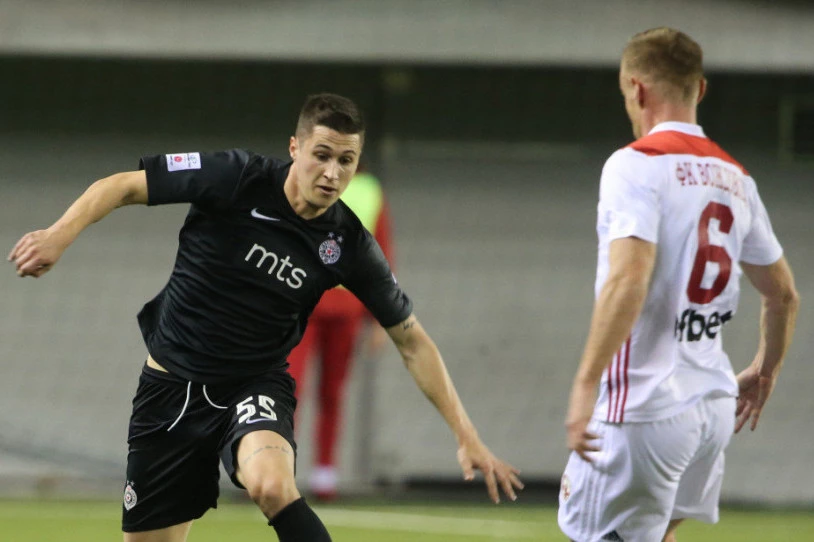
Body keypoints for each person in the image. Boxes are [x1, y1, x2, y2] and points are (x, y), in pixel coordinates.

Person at [8, 93, 523, 542]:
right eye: (322, 155)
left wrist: (466, 435)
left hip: (254, 385)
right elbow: (122, 185)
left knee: (273, 485)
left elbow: (413, 342)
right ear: (295, 148)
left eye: (346, 160)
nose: (333, 173)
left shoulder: (348, 244)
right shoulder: (235, 177)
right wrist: (58, 235)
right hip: (170, 389)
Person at [558, 28, 799, 542]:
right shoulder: (737, 179)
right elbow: (782, 294)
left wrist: (584, 385)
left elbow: (629, 279)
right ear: (701, 89)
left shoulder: (634, 164)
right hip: (711, 409)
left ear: (636, 88)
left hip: (643, 408)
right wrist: (766, 369)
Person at [286, 167, 393, 501]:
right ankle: (274, 467)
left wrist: (379, 318)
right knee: (288, 387)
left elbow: (381, 253)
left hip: (347, 307)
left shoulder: (369, 191)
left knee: (332, 392)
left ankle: (324, 475)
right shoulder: (301, 179)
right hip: (300, 303)